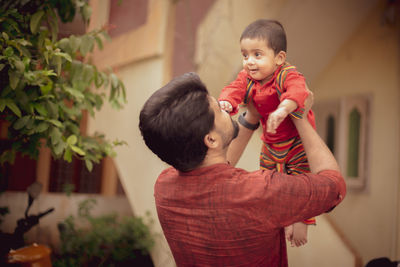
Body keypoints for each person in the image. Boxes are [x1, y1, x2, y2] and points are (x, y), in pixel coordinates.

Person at [139, 72, 346, 267]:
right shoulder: (261, 191)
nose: (225, 107)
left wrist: (253, 115)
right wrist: (300, 116)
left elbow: (217, 171)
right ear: (210, 139)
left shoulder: (164, 187)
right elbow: (334, 185)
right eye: (219, 109)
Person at [218, 19, 316, 246]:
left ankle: (301, 220)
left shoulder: (287, 74)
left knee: (301, 180)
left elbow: (298, 91)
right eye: (245, 55)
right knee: (269, 181)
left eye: (257, 55)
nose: (249, 62)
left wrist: (283, 109)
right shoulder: (248, 78)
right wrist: (225, 103)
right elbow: (234, 89)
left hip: (296, 142)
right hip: (271, 143)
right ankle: (281, 219)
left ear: (279, 58)